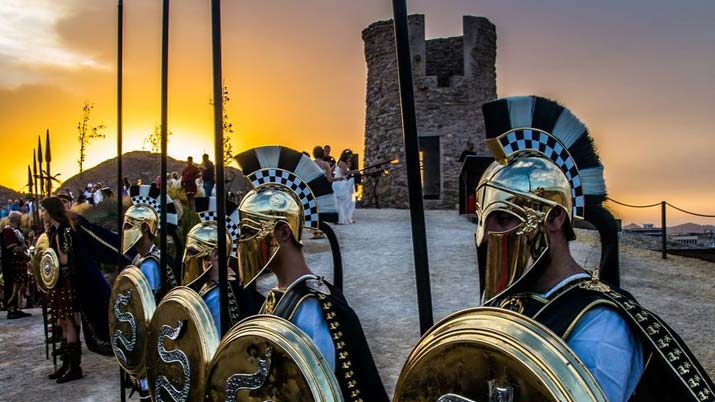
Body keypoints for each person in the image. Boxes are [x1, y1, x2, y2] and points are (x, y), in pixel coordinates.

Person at [475, 95, 714, 401]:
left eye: (503, 218)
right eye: (483, 220)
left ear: (555, 217)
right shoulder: (510, 306)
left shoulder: (599, 324)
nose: (486, 235)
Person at [235, 145, 389, 402]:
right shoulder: (275, 298)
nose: (241, 243)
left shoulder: (312, 309)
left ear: (283, 233)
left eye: (249, 233)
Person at [41, 197, 84, 383]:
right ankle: (67, 364)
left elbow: (64, 260)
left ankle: (75, 368)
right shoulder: (54, 231)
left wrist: (52, 256)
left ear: (51, 212)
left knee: (69, 322)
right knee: (63, 322)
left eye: (44, 211)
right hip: (59, 282)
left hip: (67, 282)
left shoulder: (63, 231)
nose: (43, 214)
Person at [1, 211, 31, 319]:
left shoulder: (16, 231)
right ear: (18, 220)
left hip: (18, 265)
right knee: (13, 286)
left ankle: (17, 308)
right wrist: (25, 255)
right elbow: (13, 248)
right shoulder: (8, 230)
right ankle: (12, 310)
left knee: (19, 286)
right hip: (12, 265)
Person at [334, 149, 358, 224]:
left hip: (339, 183)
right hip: (340, 183)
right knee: (345, 201)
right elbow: (344, 172)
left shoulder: (342, 162)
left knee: (341, 202)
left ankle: (343, 218)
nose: (350, 158)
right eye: (349, 156)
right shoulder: (343, 163)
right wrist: (354, 171)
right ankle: (343, 219)